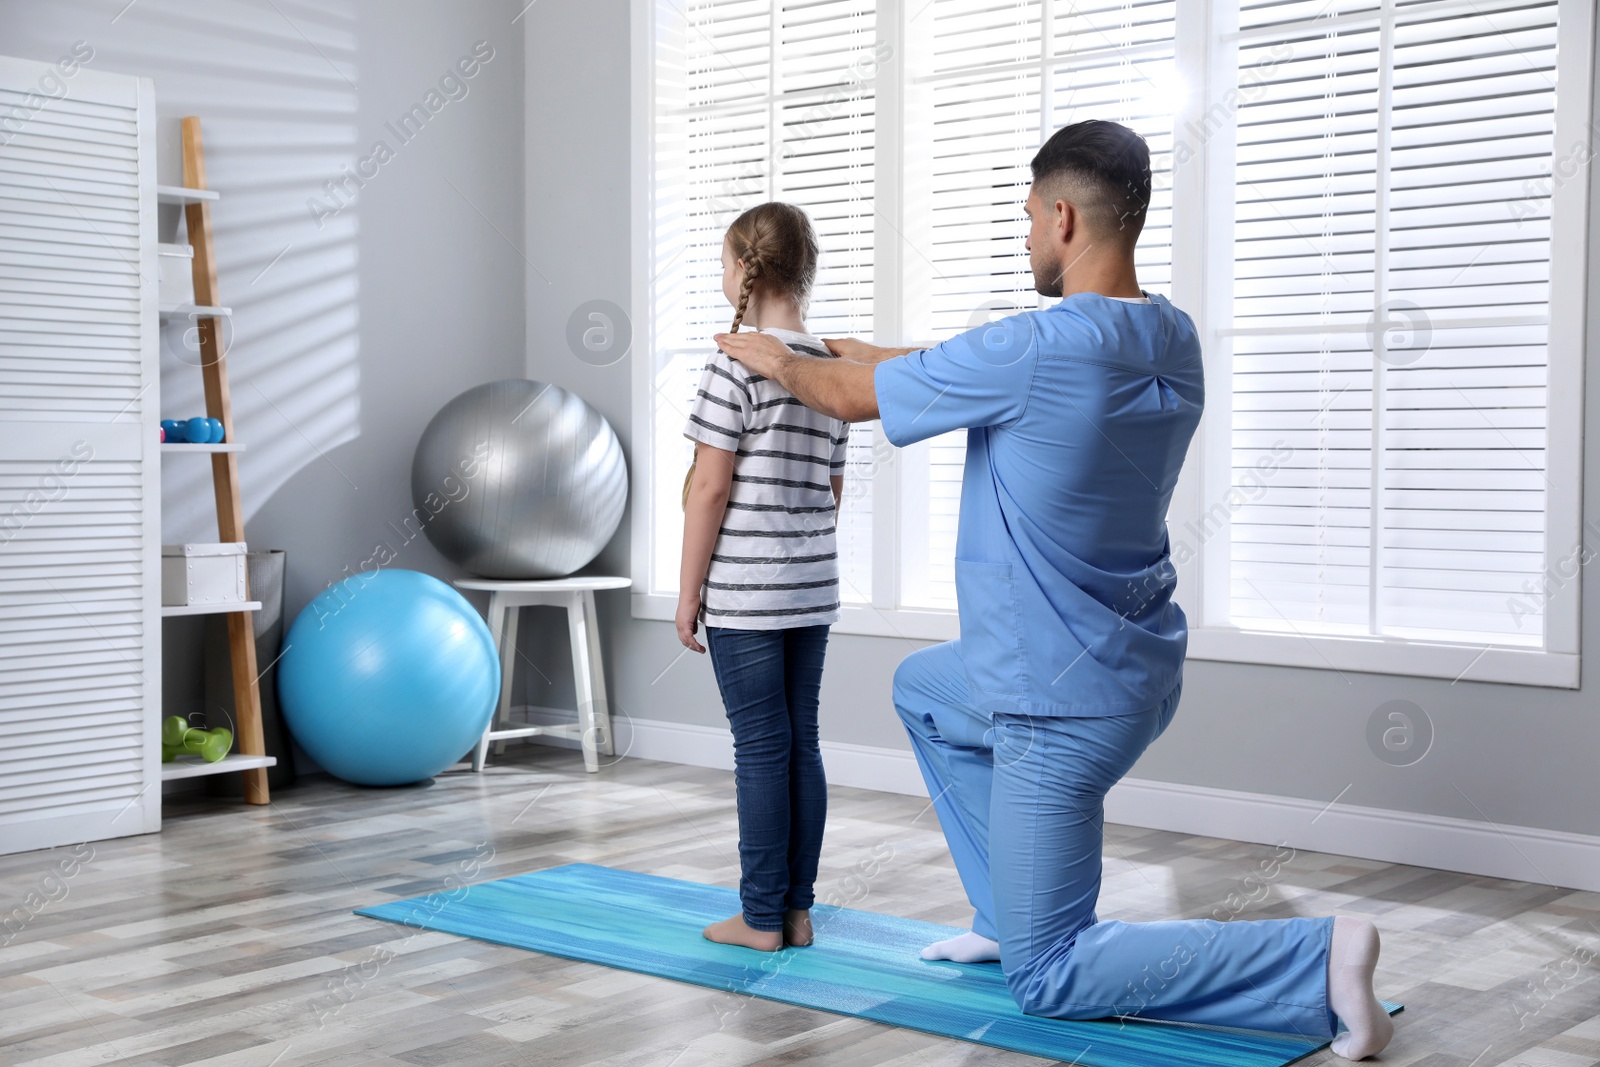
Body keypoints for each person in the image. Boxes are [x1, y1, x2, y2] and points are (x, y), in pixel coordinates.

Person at [714, 121, 1393, 1059]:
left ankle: (1314, 958)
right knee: (924, 689)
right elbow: (941, 363)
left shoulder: (1031, 351)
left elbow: (844, 396)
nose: (1028, 235)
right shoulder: (1169, 335)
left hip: (1054, 707)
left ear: (1063, 216)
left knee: (1053, 976)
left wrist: (779, 358)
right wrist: (843, 344)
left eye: (1031, 217)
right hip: (1131, 671)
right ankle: (1009, 910)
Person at [677, 201, 850, 953]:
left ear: (745, 270)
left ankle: (757, 917)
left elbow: (709, 488)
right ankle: (798, 910)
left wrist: (689, 594)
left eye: (722, 264)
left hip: (748, 590)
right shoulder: (832, 370)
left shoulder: (735, 362)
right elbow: (833, 490)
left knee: (759, 746)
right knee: (799, 741)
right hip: (811, 585)